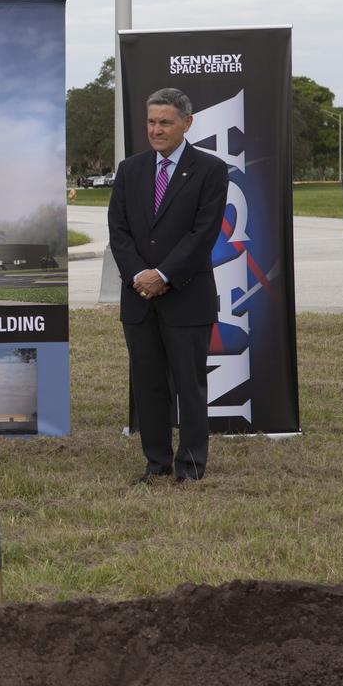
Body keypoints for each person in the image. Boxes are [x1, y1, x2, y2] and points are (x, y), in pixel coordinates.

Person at [107, 87, 229, 485]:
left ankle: (190, 466)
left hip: (186, 296)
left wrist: (163, 275)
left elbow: (202, 234)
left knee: (188, 384)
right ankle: (155, 462)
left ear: (186, 123)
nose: (156, 130)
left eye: (165, 122)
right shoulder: (130, 169)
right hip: (138, 297)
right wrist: (139, 275)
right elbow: (119, 230)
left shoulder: (210, 170)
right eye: (151, 122)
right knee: (147, 383)